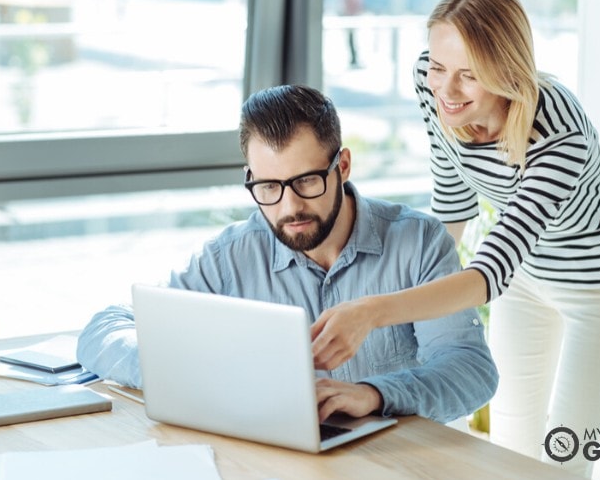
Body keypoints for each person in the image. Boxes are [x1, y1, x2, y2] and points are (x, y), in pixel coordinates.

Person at [310, 0, 600, 477]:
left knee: (566, 459)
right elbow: (452, 201)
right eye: (439, 66)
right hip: (527, 277)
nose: (445, 90)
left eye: (468, 76)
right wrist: (403, 300)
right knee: (509, 448)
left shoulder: (558, 134)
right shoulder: (432, 85)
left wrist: (372, 311)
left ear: (507, 70)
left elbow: (487, 274)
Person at [77, 84, 497, 425]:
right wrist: (189, 372)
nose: (288, 207)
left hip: (395, 462)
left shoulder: (418, 242)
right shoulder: (234, 255)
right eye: (268, 187)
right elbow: (106, 329)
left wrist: (374, 395)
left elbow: (471, 370)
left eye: (307, 181)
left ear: (343, 165)